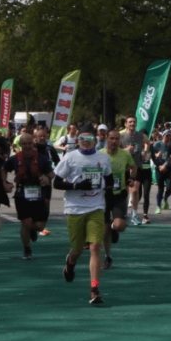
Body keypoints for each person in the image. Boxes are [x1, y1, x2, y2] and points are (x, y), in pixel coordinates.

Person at [53, 124, 113, 304]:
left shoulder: (103, 157)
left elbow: (108, 178)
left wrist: (109, 190)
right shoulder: (70, 157)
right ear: (77, 140)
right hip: (74, 208)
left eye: (89, 139)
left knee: (95, 246)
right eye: (82, 139)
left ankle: (95, 290)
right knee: (77, 249)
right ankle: (70, 264)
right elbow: (56, 183)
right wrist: (76, 186)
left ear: (96, 140)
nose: (85, 142)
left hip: (96, 206)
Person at [2, 133, 55, 260]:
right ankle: (27, 249)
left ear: (33, 143)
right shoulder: (14, 159)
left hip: (39, 195)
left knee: (39, 227)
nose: (27, 146)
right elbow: (3, 169)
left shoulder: (41, 158)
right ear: (20, 145)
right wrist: (4, 183)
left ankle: (33, 229)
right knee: (25, 222)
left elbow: (52, 173)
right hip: (21, 195)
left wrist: (47, 178)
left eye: (29, 143)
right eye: (24, 143)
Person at [102, 130, 136, 270]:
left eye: (117, 139)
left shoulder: (125, 154)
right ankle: (107, 257)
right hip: (103, 196)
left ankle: (113, 228)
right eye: (111, 138)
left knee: (119, 226)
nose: (114, 141)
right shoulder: (100, 154)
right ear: (106, 139)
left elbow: (133, 166)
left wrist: (131, 178)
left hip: (119, 194)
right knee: (104, 230)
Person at [120, 116, 149, 225]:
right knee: (125, 192)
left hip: (136, 166)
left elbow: (148, 142)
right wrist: (125, 150)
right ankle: (125, 214)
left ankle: (135, 215)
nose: (132, 124)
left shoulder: (141, 136)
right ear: (126, 124)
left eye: (134, 122)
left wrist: (145, 153)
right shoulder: (121, 136)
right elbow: (115, 149)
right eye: (130, 122)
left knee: (135, 190)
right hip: (124, 167)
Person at [152, 130, 171, 214]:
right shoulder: (157, 144)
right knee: (160, 188)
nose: (168, 137)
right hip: (159, 168)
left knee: (170, 188)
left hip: (168, 169)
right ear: (163, 136)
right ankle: (158, 206)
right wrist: (156, 155)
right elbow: (151, 154)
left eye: (170, 136)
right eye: (166, 135)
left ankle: (165, 198)